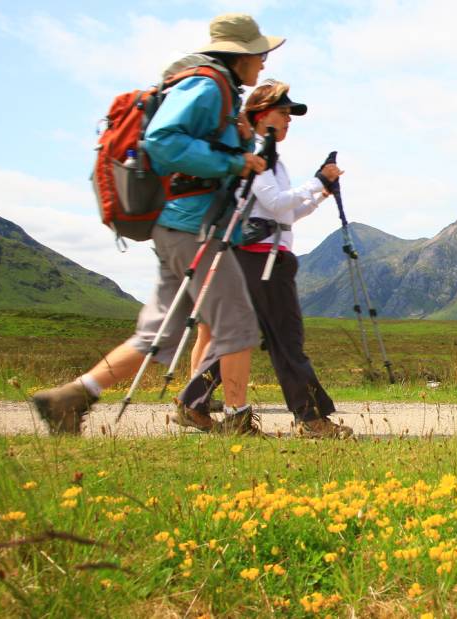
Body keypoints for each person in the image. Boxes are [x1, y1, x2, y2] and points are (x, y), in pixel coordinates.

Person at [31, 13, 282, 435]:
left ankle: (70, 398)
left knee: (159, 334)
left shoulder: (212, 88)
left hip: (180, 226)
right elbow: (164, 141)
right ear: (239, 55)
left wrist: (240, 147)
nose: (263, 63)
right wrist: (236, 161)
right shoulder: (207, 85)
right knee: (238, 322)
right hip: (195, 229)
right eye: (260, 54)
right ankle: (239, 422)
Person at [175, 80, 354, 439]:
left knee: (244, 336)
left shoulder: (269, 156)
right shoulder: (258, 153)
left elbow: (285, 212)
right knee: (286, 340)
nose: (289, 119)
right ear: (260, 115)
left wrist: (319, 192)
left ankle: (193, 405)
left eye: (290, 114)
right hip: (262, 261)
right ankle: (312, 419)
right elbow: (275, 202)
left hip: (263, 257)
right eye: (283, 112)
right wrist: (317, 180)